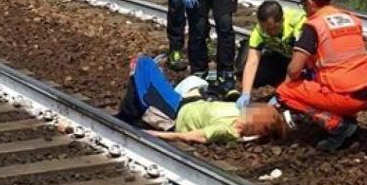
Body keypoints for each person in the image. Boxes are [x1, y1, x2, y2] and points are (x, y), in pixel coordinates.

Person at [274, 0, 367, 152]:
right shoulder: (351, 19)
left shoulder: (313, 26)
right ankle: (347, 119)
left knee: (285, 92)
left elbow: (293, 71)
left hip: (346, 97)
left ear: (309, 2)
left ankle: (338, 125)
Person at [116, 55, 286, 144]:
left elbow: (193, 137)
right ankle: (135, 106)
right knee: (147, 67)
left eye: (256, 110)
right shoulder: (239, 111)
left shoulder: (228, 129)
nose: (253, 107)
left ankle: (131, 112)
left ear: (254, 122)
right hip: (186, 101)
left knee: (143, 65)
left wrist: (155, 134)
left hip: (173, 113)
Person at [235, 0, 306, 108]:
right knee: (257, 78)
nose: (267, 32)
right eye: (264, 29)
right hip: (282, 56)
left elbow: (298, 63)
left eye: (271, 29)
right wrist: (245, 93)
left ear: (281, 20)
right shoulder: (261, 29)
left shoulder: (298, 23)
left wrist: (281, 93)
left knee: (300, 88)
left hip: (304, 61)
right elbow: (252, 61)